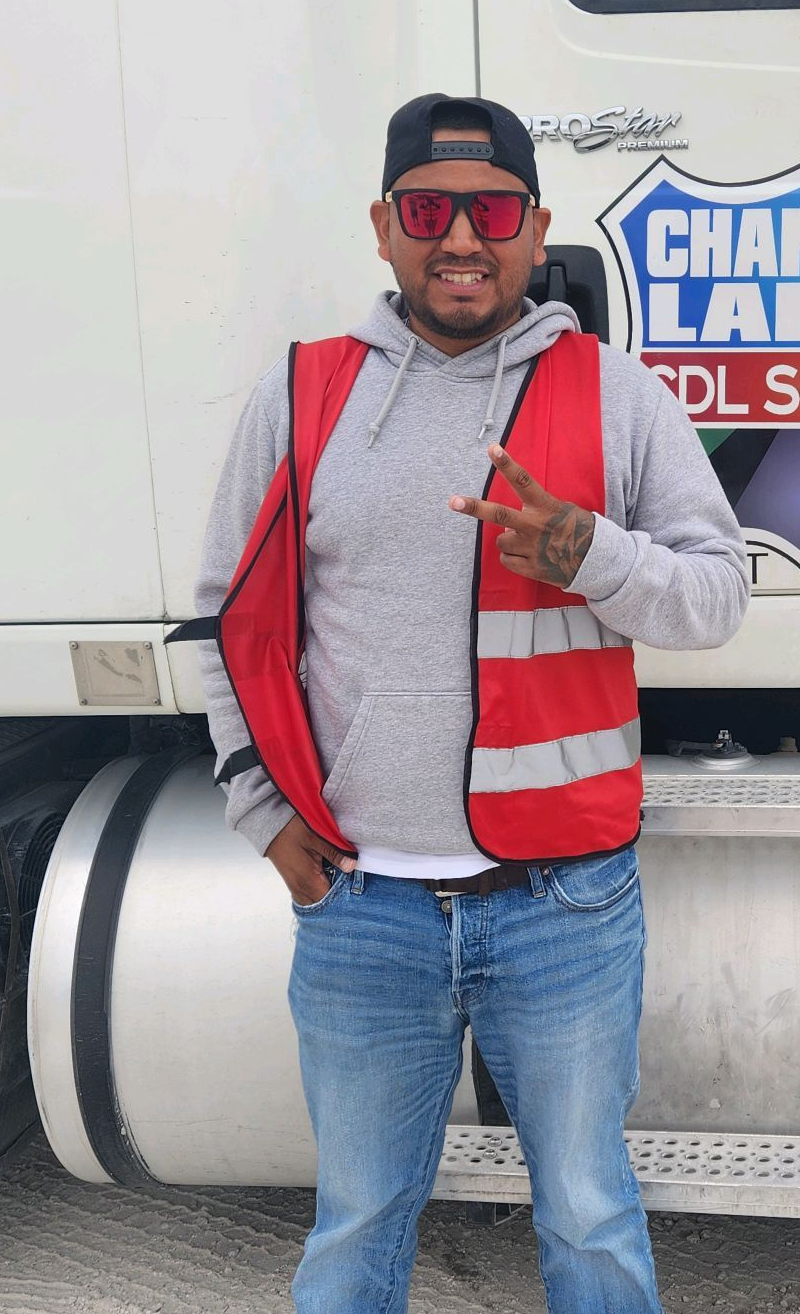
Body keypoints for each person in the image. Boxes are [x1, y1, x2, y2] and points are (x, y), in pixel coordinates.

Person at [193, 92, 749, 1312]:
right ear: (383, 229)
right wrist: (260, 816)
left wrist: (590, 553)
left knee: (591, 1216)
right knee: (353, 1228)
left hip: (563, 901)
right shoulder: (300, 392)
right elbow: (222, 622)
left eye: (489, 208)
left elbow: (716, 595)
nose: (460, 236)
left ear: (535, 225)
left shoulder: (617, 396)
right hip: (361, 906)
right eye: (428, 208)